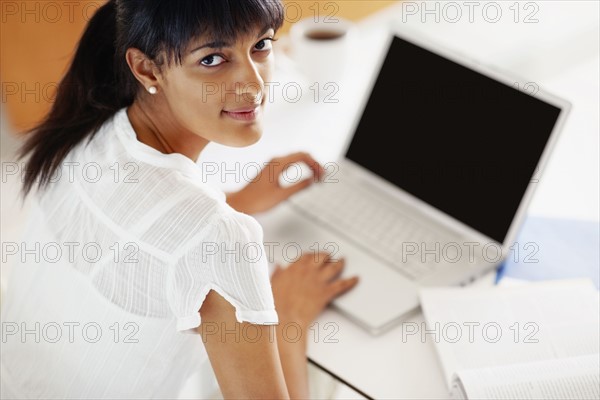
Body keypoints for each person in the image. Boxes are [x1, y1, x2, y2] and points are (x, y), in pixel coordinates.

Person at [0, 0, 359, 398]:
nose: (254, 84)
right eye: (213, 59)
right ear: (146, 68)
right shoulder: (220, 238)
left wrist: (236, 200)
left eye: (261, 45)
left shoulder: (83, 135)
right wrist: (288, 315)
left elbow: (141, 247)